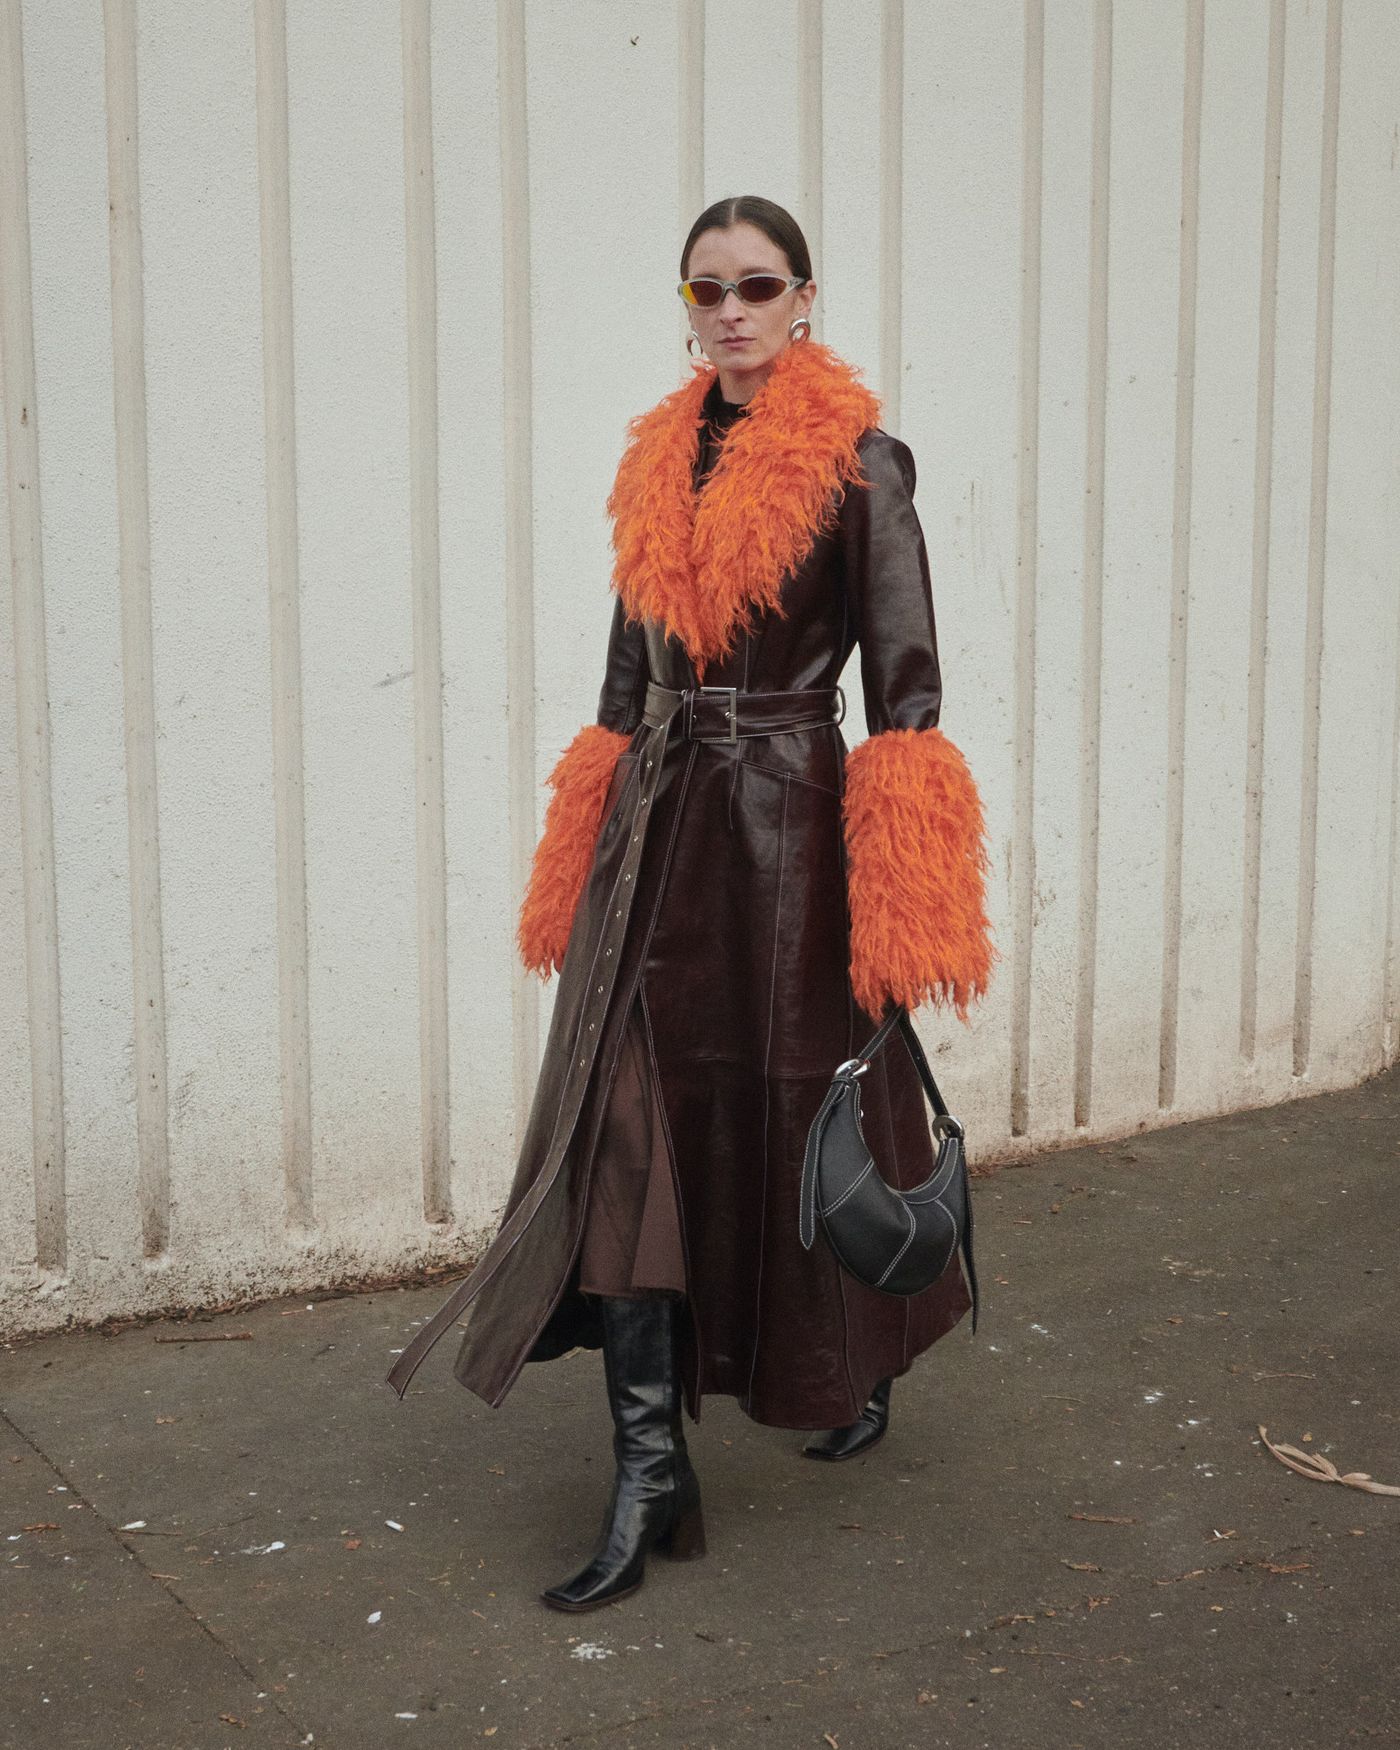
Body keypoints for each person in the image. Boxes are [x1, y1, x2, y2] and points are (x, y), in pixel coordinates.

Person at [386, 195, 998, 1613]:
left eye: (757, 286)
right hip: (657, 829)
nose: (730, 311)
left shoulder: (860, 464)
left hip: (787, 830)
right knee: (627, 1131)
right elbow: (624, 679)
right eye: (705, 289)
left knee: (811, 1115)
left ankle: (859, 1354)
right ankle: (651, 1465)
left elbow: (907, 693)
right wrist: (588, 839)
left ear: (805, 299)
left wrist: (895, 893)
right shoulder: (659, 456)